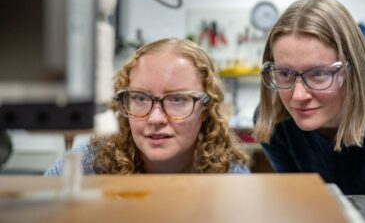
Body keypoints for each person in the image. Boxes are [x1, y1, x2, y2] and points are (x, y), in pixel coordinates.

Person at [46, 38, 250, 175]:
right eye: (141, 98)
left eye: (177, 99)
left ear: (206, 108)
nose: (155, 119)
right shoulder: (88, 165)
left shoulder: (230, 176)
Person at [254, 0, 365, 194]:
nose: (298, 96)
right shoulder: (274, 123)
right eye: (285, 74)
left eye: (318, 74)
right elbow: (301, 202)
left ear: (353, 70)